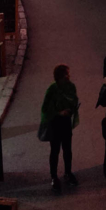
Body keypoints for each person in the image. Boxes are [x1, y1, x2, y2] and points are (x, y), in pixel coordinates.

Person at [40, 63, 80, 194]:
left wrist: (71, 108)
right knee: (55, 150)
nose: (69, 76)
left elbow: (74, 100)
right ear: (59, 78)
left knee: (67, 149)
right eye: (66, 75)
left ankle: (68, 173)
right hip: (55, 124)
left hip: (66, 123)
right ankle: (54, 177)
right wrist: (59, 113)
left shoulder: (71, 87)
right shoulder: (52, 89)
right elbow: (45, 108)